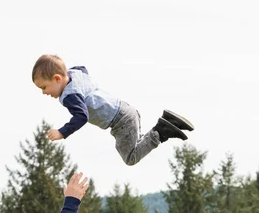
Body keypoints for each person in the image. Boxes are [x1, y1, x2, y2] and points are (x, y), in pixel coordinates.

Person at [32, 54, 194, 166]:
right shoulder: (75, 74)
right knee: (136, 143)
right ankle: (169, 121)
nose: (44, 92)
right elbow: (83, 68)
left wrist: (62, 132)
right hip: (126, 109)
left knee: (131, 157)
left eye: (44, 87)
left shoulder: (70, 96)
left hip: (120, 122)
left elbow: (81, 116)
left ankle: (162, 131)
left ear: (57, 79)